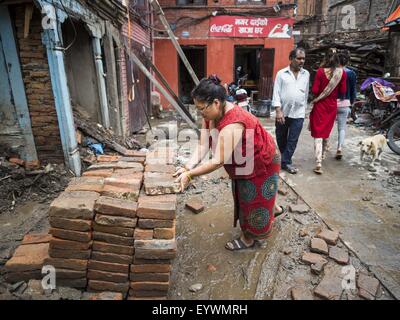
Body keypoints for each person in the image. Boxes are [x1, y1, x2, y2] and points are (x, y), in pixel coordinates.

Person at [174, 75, 284, 251]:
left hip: (262, 160)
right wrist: (187, 166)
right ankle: (274, 209)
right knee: (254, 196)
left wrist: (191, 174)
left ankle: (249, 239)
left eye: (202, 109)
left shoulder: (233, 123)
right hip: (245, 160)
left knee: (251, 200)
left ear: (216, 103)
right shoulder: (210, 114)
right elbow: (203, 144)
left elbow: (217, 160)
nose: (200, 113)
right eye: (198, 109)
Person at [309, 48, 347, 174]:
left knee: (318, 134)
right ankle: (323, 155)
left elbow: (315, 90)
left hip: (320, 105)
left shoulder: (320, 72)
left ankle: (318, 162)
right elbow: (343, 91)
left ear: (325, 57)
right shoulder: (342, 73)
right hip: (331, 106)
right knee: (325, 131)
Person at [273, 47, 310, 174]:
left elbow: (305, 94)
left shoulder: (306, 74)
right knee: (281, 137)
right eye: (299, 58)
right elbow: (276, 93)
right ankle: (284, 159)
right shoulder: (281, 74)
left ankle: (286, 162)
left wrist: (304, 110)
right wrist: (278, 110)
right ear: (291, 59)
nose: (302, 61)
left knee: (293, 139)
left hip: (298, 112)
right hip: (283, 112)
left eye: (303, 59)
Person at [336, 51, 357, 160]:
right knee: (342, 127)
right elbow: (353, 90)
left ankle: (324, 147)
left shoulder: (333, 72)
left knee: (327, 126)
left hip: (331, 103)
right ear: (347, 61)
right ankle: (339, 148)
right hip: (345, 103)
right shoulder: (351, 73)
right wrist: (352, 102)